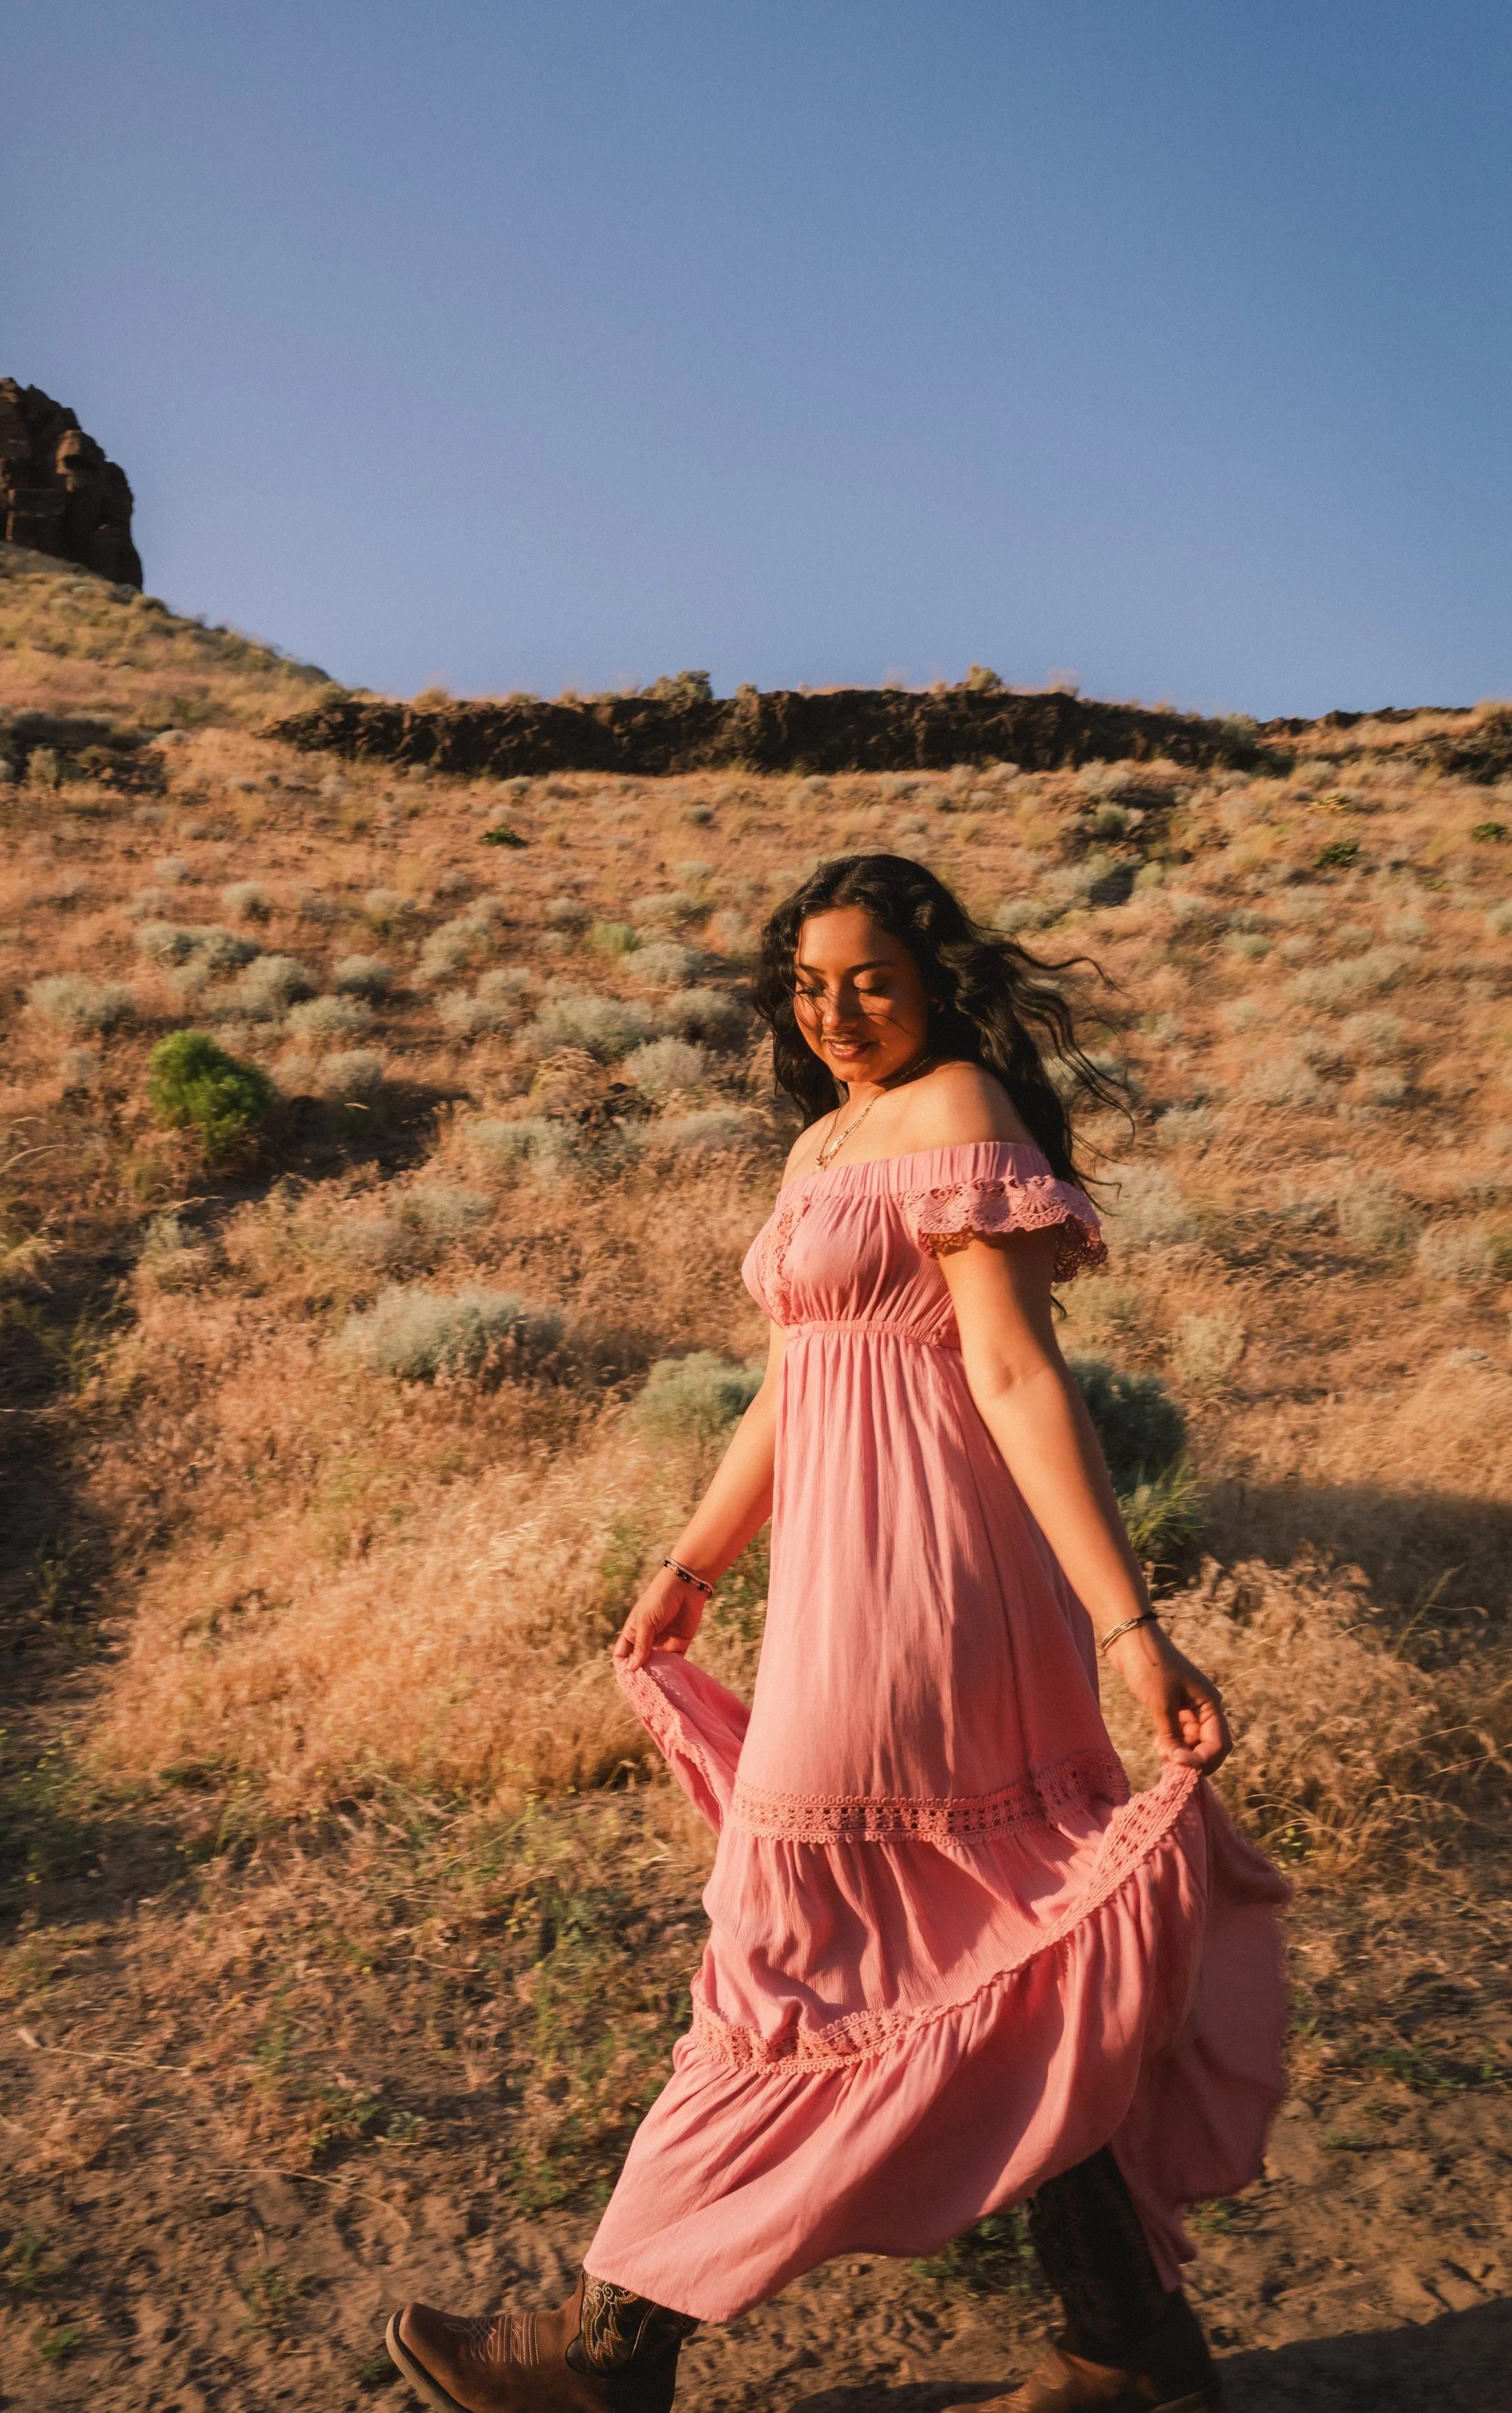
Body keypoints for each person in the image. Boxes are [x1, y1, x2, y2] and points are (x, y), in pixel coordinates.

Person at [387, 854, 1288, 2413]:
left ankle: (610, 2355)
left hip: (940, 1584)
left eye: (866, 978)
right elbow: (801, 1377)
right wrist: (693, 1559)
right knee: (973, 1945)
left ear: (931, 977)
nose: (835, 1012)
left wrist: (1128, 1623)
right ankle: (1127, 2349)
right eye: (809, 986)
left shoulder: (956, 1117)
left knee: (785, 1936)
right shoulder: (824, 1137)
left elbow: (1011, 1379)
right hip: (837, 1577)